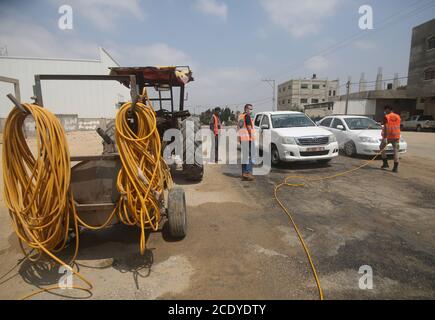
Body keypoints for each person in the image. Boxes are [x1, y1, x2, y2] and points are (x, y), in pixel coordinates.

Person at [380, 105, 401, 173]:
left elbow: (386, 127)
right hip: (396, 136)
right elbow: (396, 125)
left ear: (388, 109)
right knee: (396, 151)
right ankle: (395, 168)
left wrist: (385, 138)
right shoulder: (398, 116)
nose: (385, 111)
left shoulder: (386, 116)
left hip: (388, 136)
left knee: (381, 147)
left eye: (385, 110)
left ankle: (385, 163)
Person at [238, 104, 256, 181]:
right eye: (249, 109)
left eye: (252, 109)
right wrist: (252, 137)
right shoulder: (247, 116)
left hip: (242, 138)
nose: (251, 111)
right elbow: (249, 127)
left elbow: (239, 128)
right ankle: (248, 173)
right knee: (249, 156)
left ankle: (244, 173)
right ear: (245, 109)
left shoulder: (240, 116)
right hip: (247, 139)